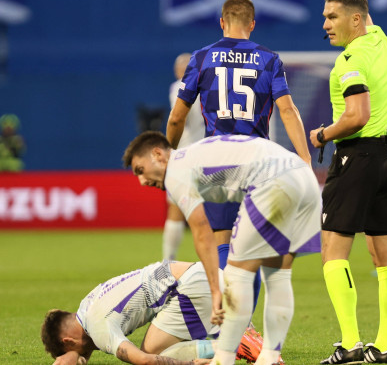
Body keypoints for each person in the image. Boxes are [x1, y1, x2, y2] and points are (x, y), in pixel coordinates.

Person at [123, 131, 321, 365]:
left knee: (236, 275)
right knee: (277, 274)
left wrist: (215, 289)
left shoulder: (176, 170)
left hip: (272, 181)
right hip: (304, 179)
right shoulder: (194, 155)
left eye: (140, 170)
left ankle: (223, 360)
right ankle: (269, 356)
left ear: (158, 154)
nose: (142, 181)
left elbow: (201, 231)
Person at [166, 0, 311, 274]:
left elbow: (177, 117)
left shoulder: (201, 58)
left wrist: (169, 154)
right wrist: (304, 158)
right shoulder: (269, 60)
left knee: (223, 244)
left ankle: (234, 317)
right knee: (252, 250)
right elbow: (288, 111)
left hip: (217, 161)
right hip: (257, 160)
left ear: (222, 22)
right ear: (252, 25)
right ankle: (247, 313)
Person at [308, 0, 387, 364]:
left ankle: (348, 344)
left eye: (331, 17)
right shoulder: (379, 40)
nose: (325, 24)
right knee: (386, 257)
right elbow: (358, 6)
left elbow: (357, 115)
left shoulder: (350, 59)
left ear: (354, 22)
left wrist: (322, 134)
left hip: (355, 158)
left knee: (332, 252)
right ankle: (384, 346)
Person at [41, 261, 224, 365]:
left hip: (190, 288)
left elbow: (143, 360)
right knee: (162, 346)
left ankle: (231, 346)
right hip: (198, 274)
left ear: (68, 341)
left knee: (151, 354)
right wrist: (77, 356)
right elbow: (84, 345)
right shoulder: (86, 306)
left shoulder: (98, 328)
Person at [164, 52, 206, 261]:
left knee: (176, 210)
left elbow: (178, 117)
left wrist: (168, 149)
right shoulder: (209, 87)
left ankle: (168, 260)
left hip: (183, 154)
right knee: (213, 212)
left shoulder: (179, 87)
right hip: (207, 154)